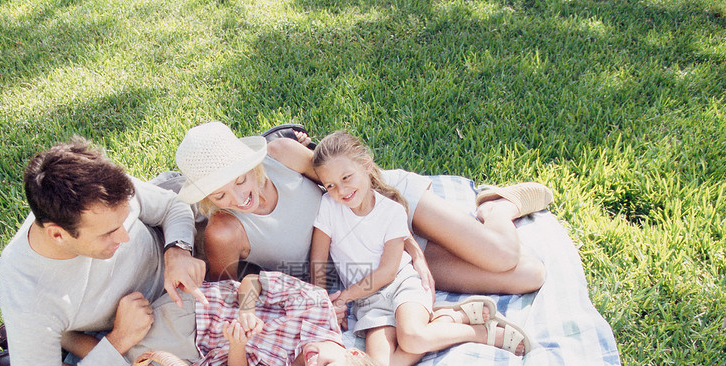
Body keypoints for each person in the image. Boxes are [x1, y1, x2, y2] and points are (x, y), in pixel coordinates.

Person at [174, 121, 553, 295]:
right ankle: (490, 214)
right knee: (528, 275)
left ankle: (497, 208)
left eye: (241, 180)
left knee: (502, 254)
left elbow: (346, 179)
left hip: (389, 202)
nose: (240, 199)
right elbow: (227, 296)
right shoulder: (224, 231)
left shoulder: (281, 154)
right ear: (208, 201)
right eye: (220, 196)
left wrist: (400, 227)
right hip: (369, 256)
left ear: (251, 164)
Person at [0, 137, 207, 366]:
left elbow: (172, 207)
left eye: (125, 221)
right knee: (167, 365)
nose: (125, 236)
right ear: (58, 235)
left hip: (179, 257)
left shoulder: (101, 196)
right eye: (109, 233)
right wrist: (120, 338)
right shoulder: (31, 294)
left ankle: (50, 345)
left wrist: (178, 251)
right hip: (152, 318)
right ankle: (37, 354)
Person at [310, 131, 531, 366]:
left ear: (366, 165)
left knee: (412, 338)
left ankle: (479, 332)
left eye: (346, 177)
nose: (341, 190)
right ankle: (449, 318)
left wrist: (344, 298)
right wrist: (324, 302)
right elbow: (318, 259)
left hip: (401, 284)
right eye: (330, 185)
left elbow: (387, 272)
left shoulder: (391, 210)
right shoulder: (329, 206)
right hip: (368, 301)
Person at [61, 271, 393, 366]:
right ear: (353, 352)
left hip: (197, 356)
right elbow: (252, 282)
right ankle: (58, 336)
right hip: (196, 314)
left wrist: (238, 346)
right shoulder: (314, 305)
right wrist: (247, 311)